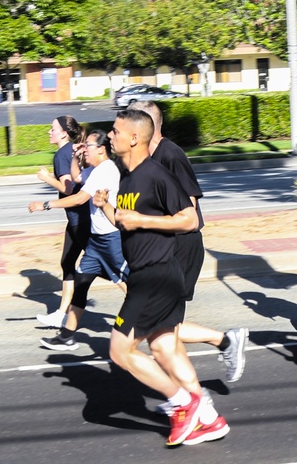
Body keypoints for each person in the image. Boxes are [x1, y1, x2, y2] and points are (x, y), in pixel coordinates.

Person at [106, 109, 229, 445]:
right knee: (164, 348)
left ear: (134, 137)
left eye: (115, 131)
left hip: (156, 275)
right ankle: (209, 418)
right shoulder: (127, 177)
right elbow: (128, 221)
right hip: (148, 273)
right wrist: (108, 209)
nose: (109, 136)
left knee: (120, 351)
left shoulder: (156, 174)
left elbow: (189, 219)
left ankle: (183, 404)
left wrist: (143, 222)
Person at [128, 101, 248, 384]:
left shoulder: (171, 156)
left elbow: (189, 213)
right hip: (162, 249)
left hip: (180, 247)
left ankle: (191, 395)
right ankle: (217, 353)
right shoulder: (146, 157)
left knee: (158, 329)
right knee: (161, 328)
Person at [30, 130, 127, 351]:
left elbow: (79, 198)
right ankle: (67, 337)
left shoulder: (106, 171)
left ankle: (154, 321)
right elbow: (76, 178)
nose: (85, 149)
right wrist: (75, 156)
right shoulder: (95, 169)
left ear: (102, 149)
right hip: (96, 242)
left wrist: (45, 205)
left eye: (89, 146)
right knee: (81, 285)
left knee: (131, 286)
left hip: (111, 239)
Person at [35, 116, 91, 328]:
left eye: (52, 129)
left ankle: (142, 303)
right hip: (76, 217)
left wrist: (46, 178)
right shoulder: (72, 150)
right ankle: (61, 314)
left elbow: (67, 188)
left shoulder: (61, 154)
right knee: (68, 263)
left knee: (108, 266)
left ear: (64, 133)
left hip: (80, 219)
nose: (49, 132)